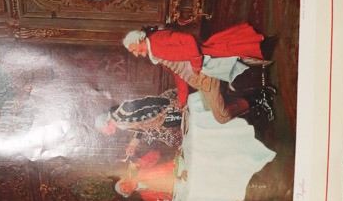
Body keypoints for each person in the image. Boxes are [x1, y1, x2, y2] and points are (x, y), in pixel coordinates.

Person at [122, 24, 269, 106]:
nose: (136, 54)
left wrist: (196, 64)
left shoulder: (158, 39)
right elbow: (178, 73)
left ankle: (262, 78)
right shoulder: (155, 55)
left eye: (134, 50)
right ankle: (259, 89)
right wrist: (182, 99)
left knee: (232, 63)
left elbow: (188, 39)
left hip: (202, 58)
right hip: (198, 67)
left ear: (139, 41)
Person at [95, 92, 182, 156]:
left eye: (105, 131)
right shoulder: (120, 124)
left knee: (182, 119)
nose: (107, 134)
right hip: (160, 121)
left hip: (165, 111)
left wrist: (170, 102)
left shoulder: (122, 111)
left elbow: (147, 101)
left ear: (106, 123)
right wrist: (132, 145)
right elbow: (140, 127)